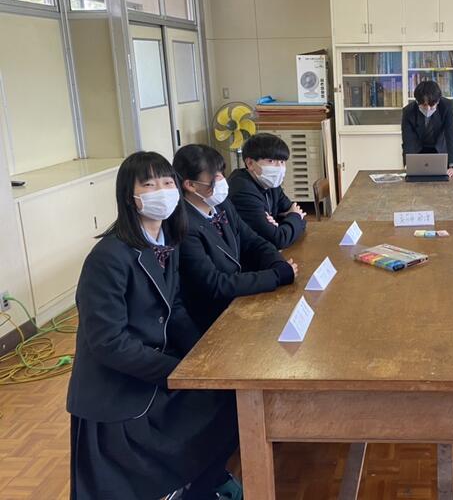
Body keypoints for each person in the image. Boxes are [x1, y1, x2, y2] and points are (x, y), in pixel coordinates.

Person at [67, 152, 240, 500]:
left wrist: (204, 357)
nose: (162, 190)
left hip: (153, 372)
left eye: (166, 182)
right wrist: (179, 371)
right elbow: (109, 343)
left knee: (232, 400)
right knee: (220, 410)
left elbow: (174, 309)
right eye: (148, 184)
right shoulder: (108, 258)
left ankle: (201, 487)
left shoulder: (166, 241)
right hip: (118, 392)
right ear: (129, 197)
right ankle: (193, 487)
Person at [173, 144, 298, 333]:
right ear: (190, 185)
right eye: (215, 176)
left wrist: (277, 263)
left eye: (221, 173)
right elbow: (214, 284)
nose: (222, 181)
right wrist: (275, 276)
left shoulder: (222, 205)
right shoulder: (184, 226)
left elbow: (253, 241)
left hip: (239, 298)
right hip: (213, 316)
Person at [228, 132, 307, 249]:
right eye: (271, 161)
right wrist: (294, 216)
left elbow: (302, 218)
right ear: (250, 163)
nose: (279, 167)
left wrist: (286, 221)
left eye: (282, 162)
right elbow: (279, 240)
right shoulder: (242, 191)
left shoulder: (270, 183)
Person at [401, 80, 453, 178]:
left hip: (440, 150)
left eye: (432, 105)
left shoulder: (446, 107)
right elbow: (408, 140)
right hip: (418, 149)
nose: (428, 109)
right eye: (424, 105)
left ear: (438, 101)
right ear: (417, 102)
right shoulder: (408, 111)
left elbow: (451, 136)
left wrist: (452, 165)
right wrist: (408, 164)